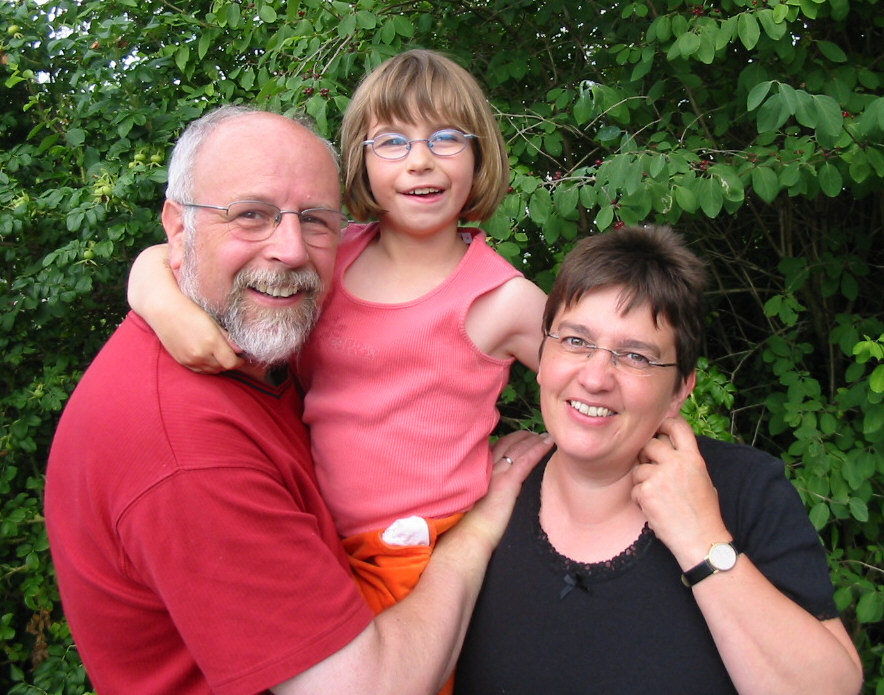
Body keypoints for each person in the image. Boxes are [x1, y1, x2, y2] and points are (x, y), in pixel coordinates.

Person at [44, 105, 551, 695]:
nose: (289, 249)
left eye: (314, 220)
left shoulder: (256, 339)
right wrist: (478, 530)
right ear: (179, 227)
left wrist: (154, 286)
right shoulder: (187, 453)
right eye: (251, 215)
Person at [127, 49, 548, 623]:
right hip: (317, 529)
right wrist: (161, 305)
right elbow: (166, 253)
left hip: (421, 551)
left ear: (479, 156)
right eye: (392, 142)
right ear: (362, 161)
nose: (420, 161)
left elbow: (598, 378)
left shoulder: (503, 298)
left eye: (446, 138)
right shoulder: (330, 252)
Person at [454, 225, 863, 695]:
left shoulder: (744, 490)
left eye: (635, 356)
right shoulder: (481, 486)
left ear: (679, 391)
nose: (595, 377)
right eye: (576, 341)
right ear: (542, 357)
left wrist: (703, 541)